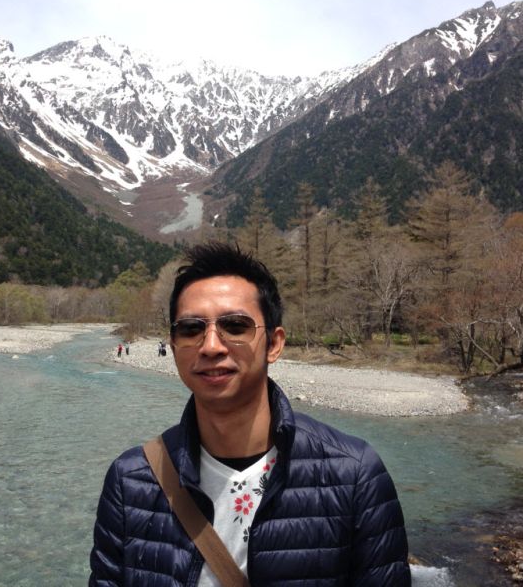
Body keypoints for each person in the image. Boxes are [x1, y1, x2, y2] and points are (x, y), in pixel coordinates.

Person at [89, 242, 411, 586]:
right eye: (191, 329)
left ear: (274, 344)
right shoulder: (131, 481)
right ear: (173, 346)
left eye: (235, 326)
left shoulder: (354, 475)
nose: (211, 346)